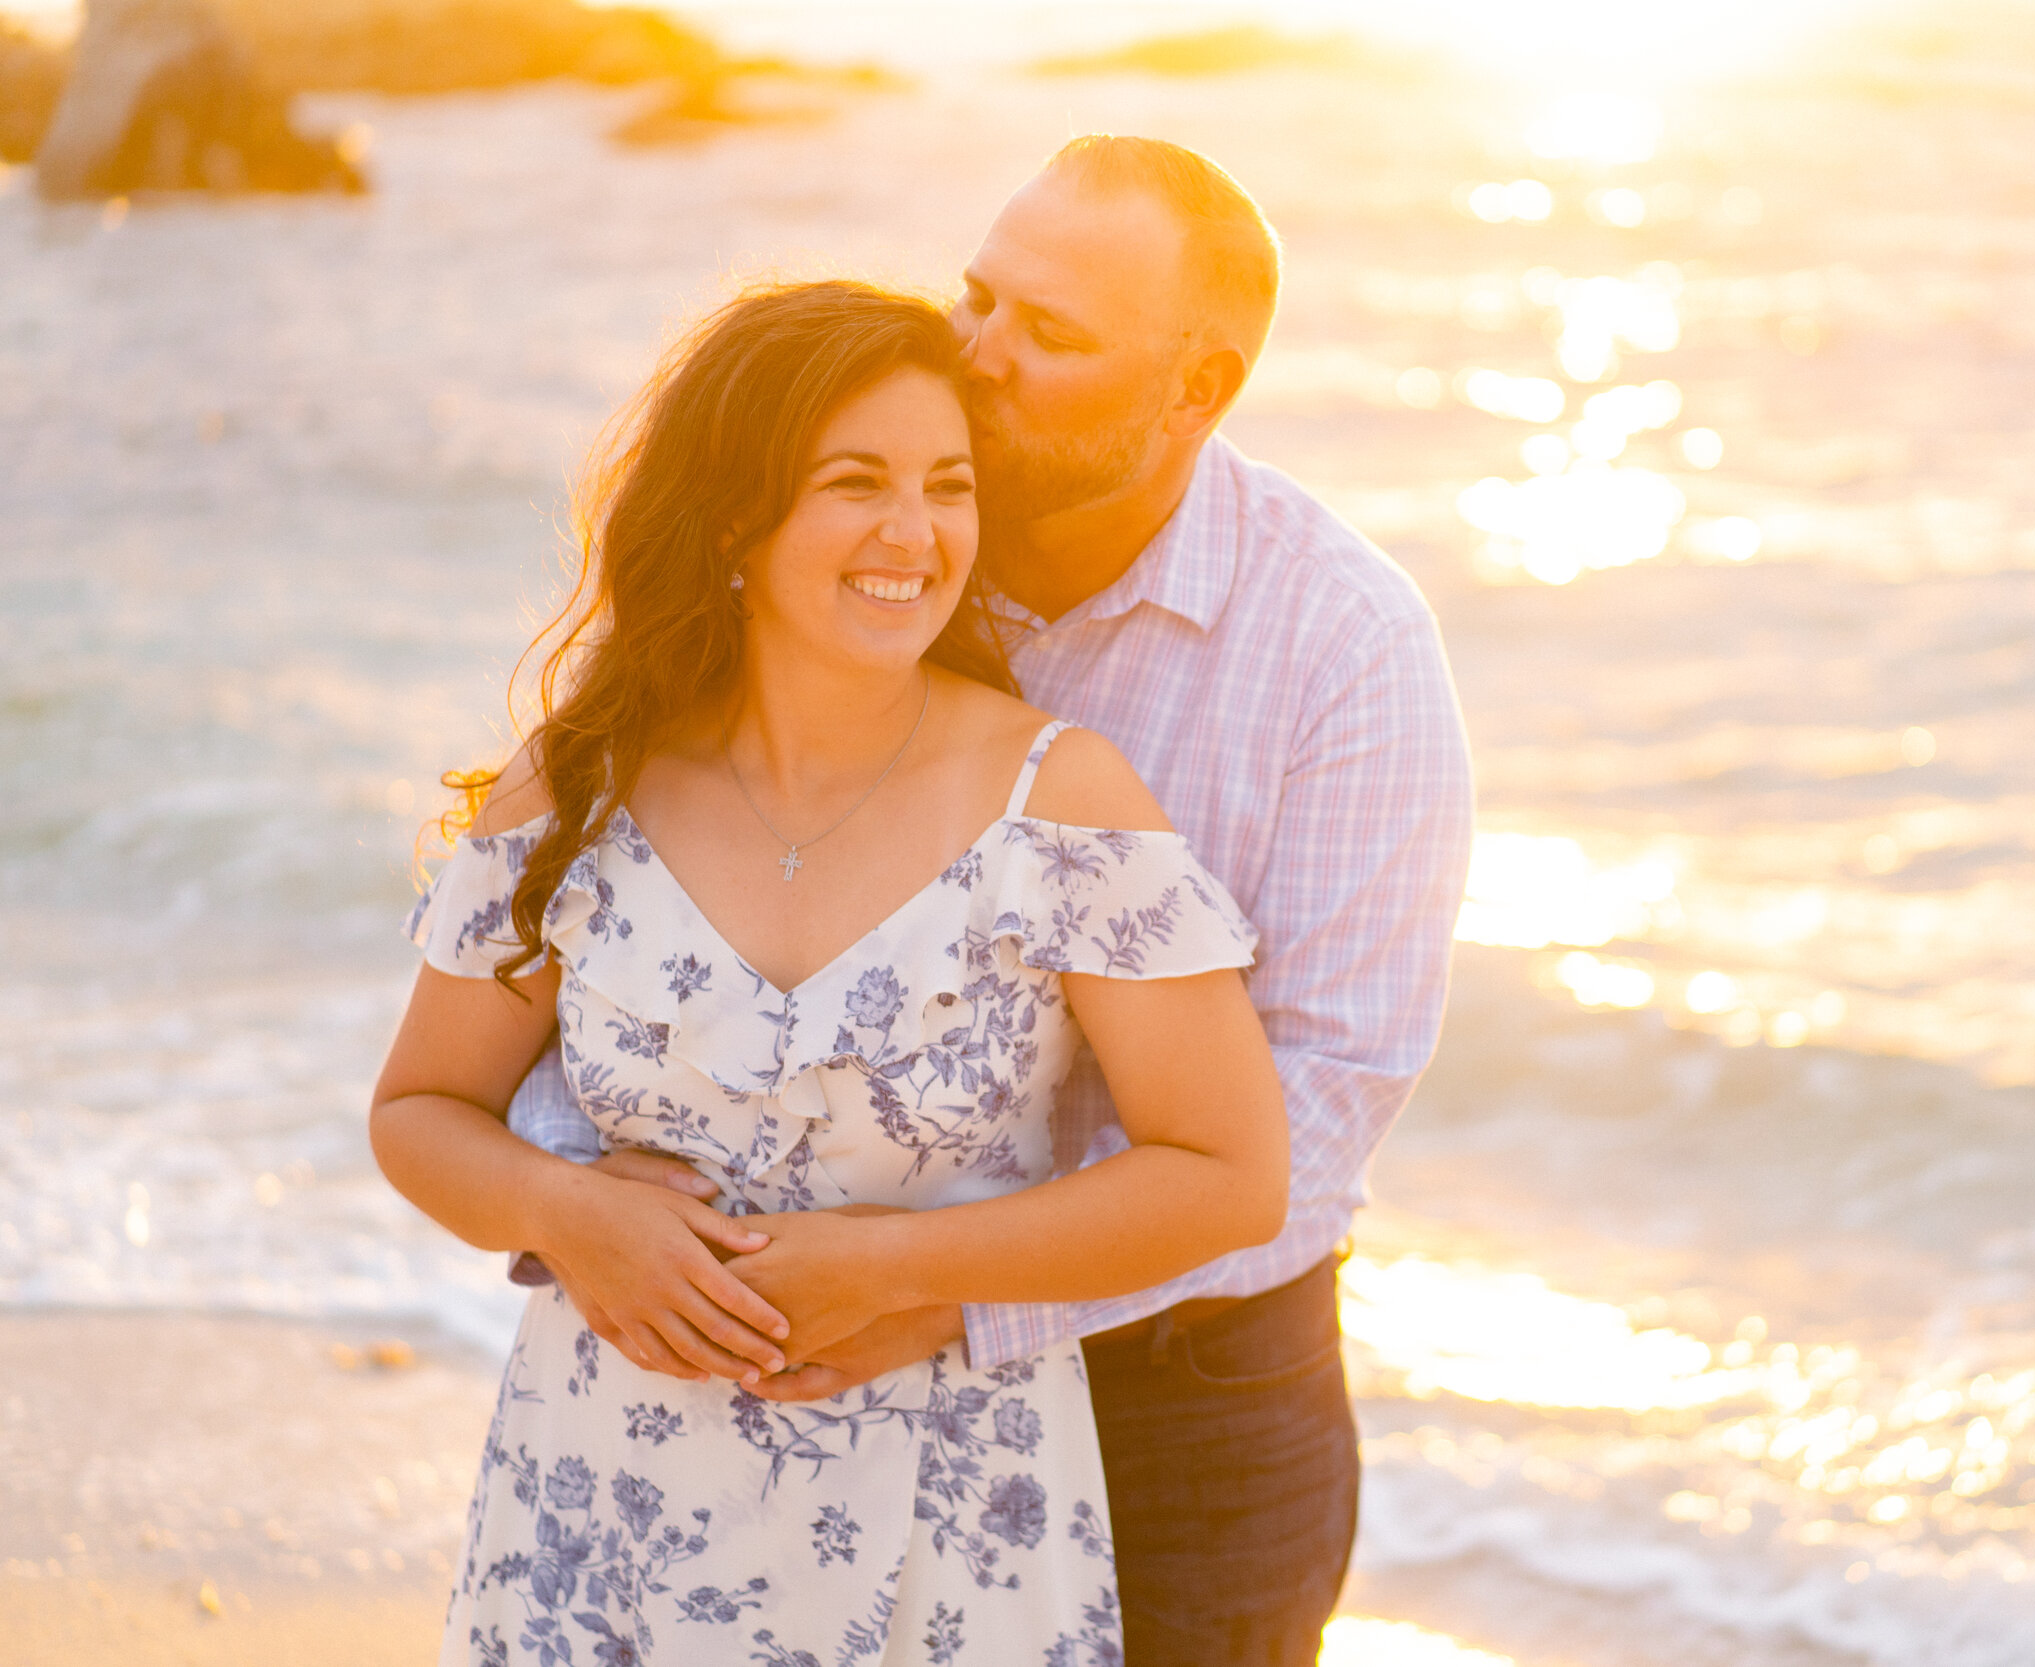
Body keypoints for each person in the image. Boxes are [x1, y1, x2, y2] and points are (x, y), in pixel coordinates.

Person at [510, 135, 1476, 1665]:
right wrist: (587, 1204)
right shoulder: (848, 552)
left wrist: (956, 1298)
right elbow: (630, 914)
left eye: (1053, 334)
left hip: (1183, 1406)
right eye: (978, 297)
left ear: (1196, 391)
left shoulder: (1344, 644)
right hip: (769, 1378)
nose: (979, 355)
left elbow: (1320, 1105)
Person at [370, 278, 1292, 1665]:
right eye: (855, 483)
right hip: (602, 1503)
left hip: (947, 1519)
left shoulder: (1063, 800)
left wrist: (912, 1271)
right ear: (737, 517)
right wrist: (566, 1213)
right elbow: (416, 1114)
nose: (913, 536)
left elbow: (1231, 1172)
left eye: (949, 486)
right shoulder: (579, 786)